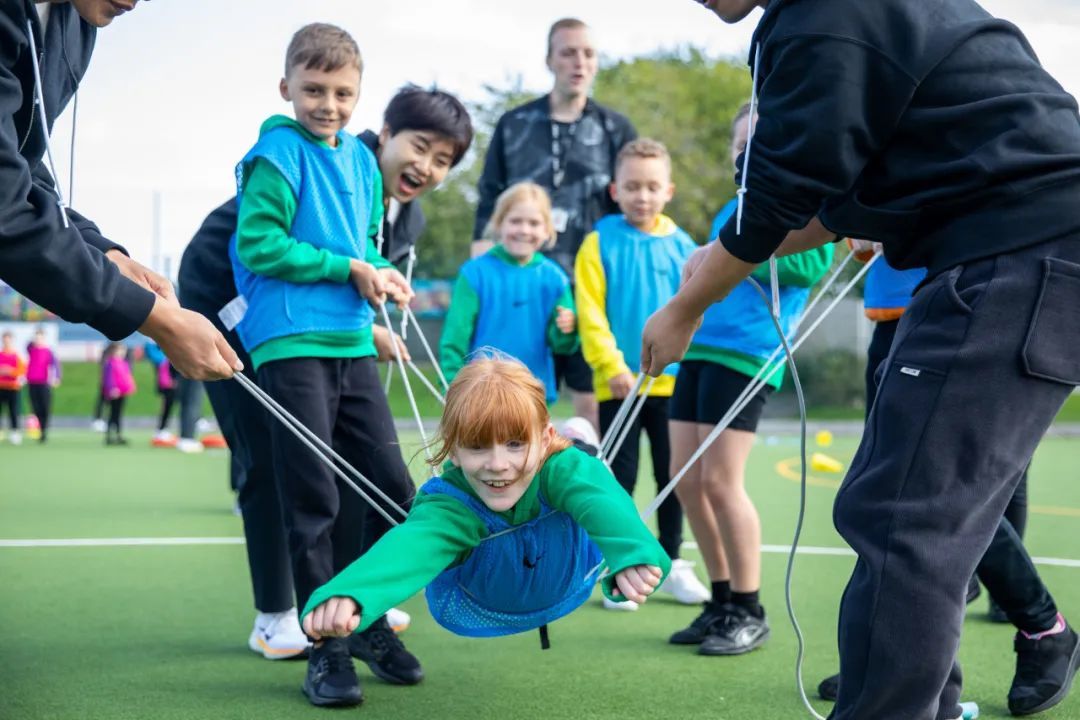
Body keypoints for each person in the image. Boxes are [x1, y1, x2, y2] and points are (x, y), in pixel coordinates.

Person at [642, 1, 1080, 718]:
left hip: (1016, 252)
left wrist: (688, 304)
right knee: (906, 510)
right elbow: (829, 197)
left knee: (904, 518)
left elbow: (784, 191)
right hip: (997, 254)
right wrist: (711, 263)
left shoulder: (824, 12)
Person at [178, 84, 473, 664]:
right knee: (270, 459)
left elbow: (363, 268)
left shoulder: (401, 210)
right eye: (419, 148)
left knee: (361, 464)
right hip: (229, 305)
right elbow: (256, 248)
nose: (425, 167)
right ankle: (275, 616)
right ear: (385, 135)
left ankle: (354, 599)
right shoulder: (319, 155)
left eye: (443, 161)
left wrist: (368, 320)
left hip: (325, 326)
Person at [228, 23, 423, 708]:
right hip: (290, 344)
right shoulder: (276, 155)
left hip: (350, 342)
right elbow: (258, 246)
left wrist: (376, 289)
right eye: (313, 89)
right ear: (287, 89)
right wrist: (348, 268)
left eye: (342, 92)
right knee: (314, 498)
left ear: (358, 95)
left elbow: (367, 248)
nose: (328, 104)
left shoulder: (364, 164)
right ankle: (326, 646)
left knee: (392, 488)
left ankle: (364, 616)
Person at [299, 357, 671, 702]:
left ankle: (581, 441)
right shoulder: (452, 503)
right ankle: (566, 440)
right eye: (477, 446)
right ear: (454, 452)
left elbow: (600, 500)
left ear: (542, 439)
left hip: (570, 562)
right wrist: (351, 594)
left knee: (585, 470)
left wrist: (634, 555)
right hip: (487, 588)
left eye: (514, 443)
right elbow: (412, 546)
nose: (497, 464)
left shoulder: (560, 468)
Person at [813, 243, 1076, 717]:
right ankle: (902, 665)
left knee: (931, 496)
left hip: (971, 302)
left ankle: (1044, 629)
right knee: (910, 495)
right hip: (908, 310)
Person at [667, 105, 833, 654]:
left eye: (759, 142)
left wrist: (737, 252)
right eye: (740, 144)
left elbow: (808, 266)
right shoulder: (729, 209)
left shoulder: (807, 209)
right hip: (700, 349)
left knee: (719, 480)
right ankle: (720, 601)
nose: (748, 153)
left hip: (747, 357)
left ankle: (749, 606)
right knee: (684, 479)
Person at [0, 1, 239, 382]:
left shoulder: (78, 21)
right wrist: (154, 317)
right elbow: (5, 209)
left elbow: (19, 165)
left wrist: (107, 254)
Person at [473, 17, 637, 431]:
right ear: (550, 60)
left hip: (590, 289)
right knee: (518, 401)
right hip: (524, 285)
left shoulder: (616, 128)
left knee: (591, 406)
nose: (578, 62)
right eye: (568, 52)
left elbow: (630, 210)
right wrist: (481, 269)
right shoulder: (513, 124)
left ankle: (585, 485)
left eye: (588, 53)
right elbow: (488, 198)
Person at [575, 138, 708, 610]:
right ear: (615, 189)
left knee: (673, 480)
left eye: (652, 187)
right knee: (621, 479)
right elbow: (589, 311)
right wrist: (611, 365)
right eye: (632, 186)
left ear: (668, 190)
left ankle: (671, 564)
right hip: (620, 385)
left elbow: (697, 309)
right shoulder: (598, 241)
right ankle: (624, 567)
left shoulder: (687, 247)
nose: (642, 196)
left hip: (674, 383)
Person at [441, 182, 577, 403]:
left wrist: (568, 329)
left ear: (546, 230)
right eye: (515, 221)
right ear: (499, 223)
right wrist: (452, 384)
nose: (524, 230)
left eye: (534, 223)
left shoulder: (555, 279)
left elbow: (562, 345)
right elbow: (455, 337)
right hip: (481, 393)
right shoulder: (475, 273)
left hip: (533, 393)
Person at [25, 327, 61, 443]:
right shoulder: (31, 349)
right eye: (37, 337)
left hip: (44, 383)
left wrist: (56, 378)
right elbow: (28, 345)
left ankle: (44, 430)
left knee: (45, 407)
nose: (38, 340)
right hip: (32, 382)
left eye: (40, 338)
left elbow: (55, 365)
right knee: (36, 407)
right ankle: (39, 428)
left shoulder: (48, 351)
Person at [101, 342, 135, 446]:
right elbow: (109, 378)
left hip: (122, 392)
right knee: (112, 413)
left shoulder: (124, 363)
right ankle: (109, 436)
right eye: (120, 350)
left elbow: (127, 377)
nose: (122, 353)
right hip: (114, 393)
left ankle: (118, 435)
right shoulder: (110, 363)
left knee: (118, 414)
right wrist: (112, 389)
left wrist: (130, 387)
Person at [144, 342, 178, 445]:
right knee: (166, 406)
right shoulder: (162, 357)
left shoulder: (166, 356)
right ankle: (161, 429)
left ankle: (162, 429)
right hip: (167, 386)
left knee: (168, 406)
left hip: (169, 385)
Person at [0, 331, 27, 445]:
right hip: (1, 387)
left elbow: (21, 371)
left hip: (13, 388)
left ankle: (15, 432)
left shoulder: (17, 356)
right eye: (5, 340)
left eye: (8, 340)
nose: (7, 342)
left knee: (13, 411)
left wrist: (10, 371)